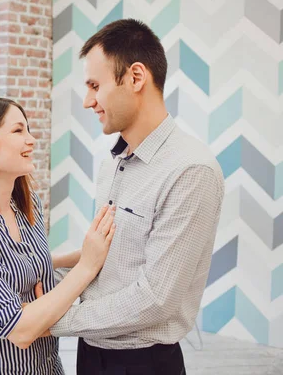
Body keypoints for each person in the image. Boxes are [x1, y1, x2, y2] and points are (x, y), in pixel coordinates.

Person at [47, 19, 225, 375]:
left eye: (95, 85)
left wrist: (50, 320)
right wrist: (46, 264)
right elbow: (116, 255)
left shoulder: (191, 171)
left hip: (142, 363)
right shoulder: (112, 164)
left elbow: (155, 299)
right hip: (90, 351)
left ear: (136, 77)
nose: (87, 101)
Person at [0, 97, 116, 374]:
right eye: (18, 131)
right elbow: (20, 330)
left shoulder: (26, 204)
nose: (31, 140)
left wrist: (89, 253)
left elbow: (20, 265)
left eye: (28, 129)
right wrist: (86, 267)